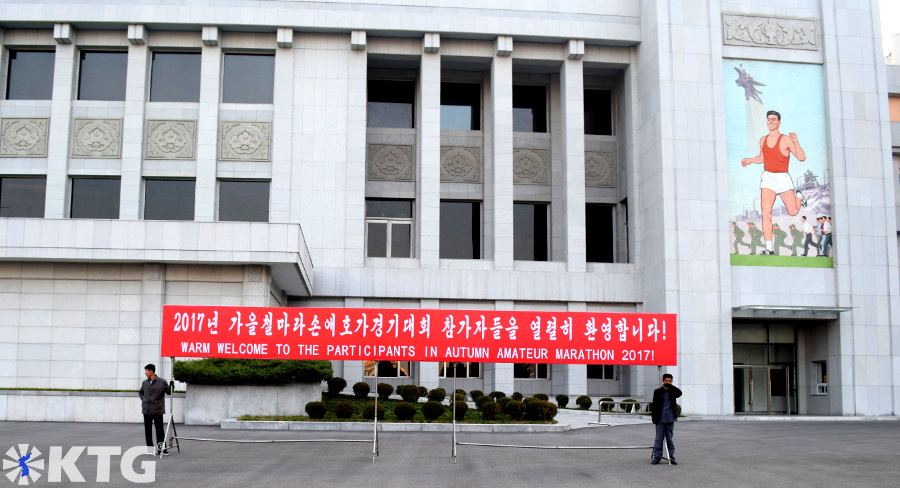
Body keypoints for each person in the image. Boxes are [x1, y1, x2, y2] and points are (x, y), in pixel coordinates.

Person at [741, 110, 807, 255]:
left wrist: (796, 142)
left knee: (793, 211)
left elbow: (801, 158)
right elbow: (763, 157)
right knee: (766, 212)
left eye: (774, 119)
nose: (771, 122)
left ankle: (799, 198)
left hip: (783, 178)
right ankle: (769, 248)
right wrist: (750, 160)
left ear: (779, 122)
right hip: (768, 178)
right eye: (769, 119)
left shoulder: (785, 139)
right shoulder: (763, 140)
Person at [139, 363, 172, 455]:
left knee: (159, 431)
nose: (145, 373)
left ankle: (162, 449)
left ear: (151, 371)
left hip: (157, 410)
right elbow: (140, 392)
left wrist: (171, 386)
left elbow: (169, 392)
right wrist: (144, 400)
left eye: (146, 371)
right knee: (148, 431)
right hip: (147, 410)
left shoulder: (162, 382)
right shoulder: (144, 383)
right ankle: (150, 449)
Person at [651, 373, 682, 465]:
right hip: (660, 418)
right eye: (666, 381)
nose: (668, 382)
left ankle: (671, 457)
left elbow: (679, 393)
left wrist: (671, 386)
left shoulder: (673, 391)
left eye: (669, 381)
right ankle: (657, 457)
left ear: (671, 381)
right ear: (663, 381)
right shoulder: (658, 391)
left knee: (669, 438)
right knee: (659, 439)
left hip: (670, 418)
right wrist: (654, 418)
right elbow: (654, 406)